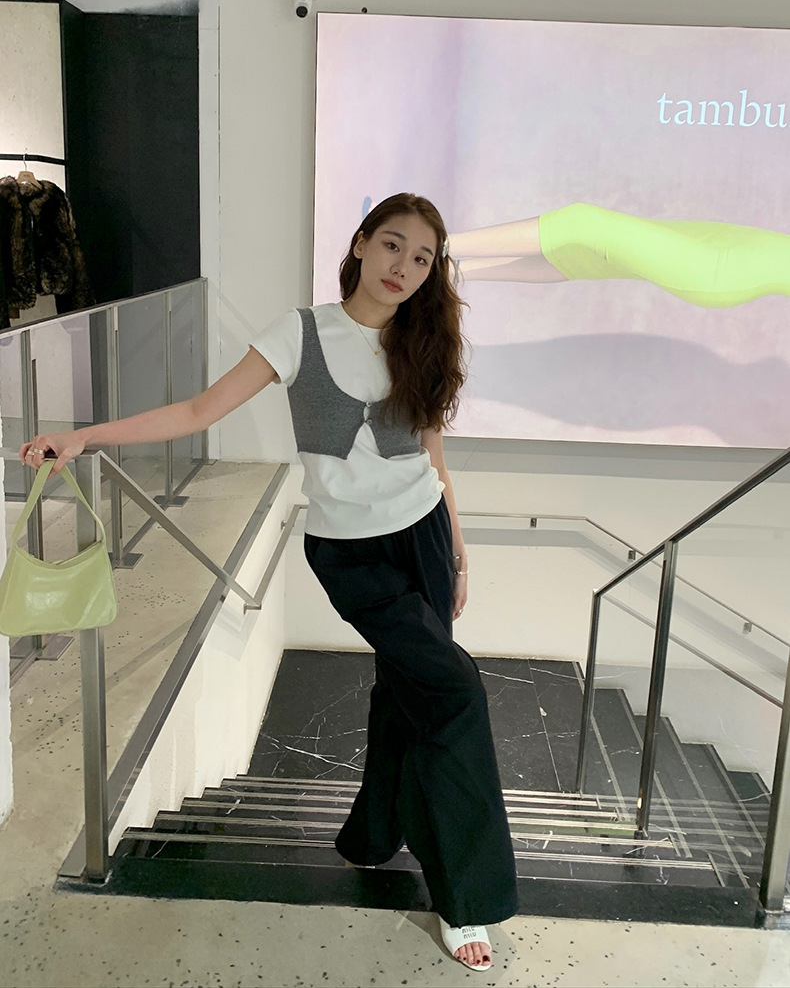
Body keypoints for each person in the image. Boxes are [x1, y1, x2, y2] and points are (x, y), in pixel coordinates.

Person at [20, 192, 519, 972]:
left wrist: (456, 542)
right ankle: (466, 896)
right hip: (349, 552)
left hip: (422, 533)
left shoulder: (422, 338)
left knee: (410, 686)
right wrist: (84, 436)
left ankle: (371, 834)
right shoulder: (300, 333)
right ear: (360, 242)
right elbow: (198, 409)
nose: (404, 267)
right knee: (453, 689)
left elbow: (433, 456)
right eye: (393, 244)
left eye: (423, 258)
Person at [450, 201, 790, 307]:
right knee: (583, 258)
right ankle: (447, 271)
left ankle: (435, 245)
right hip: (724, 244)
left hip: (719, 268)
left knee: (583, 223)